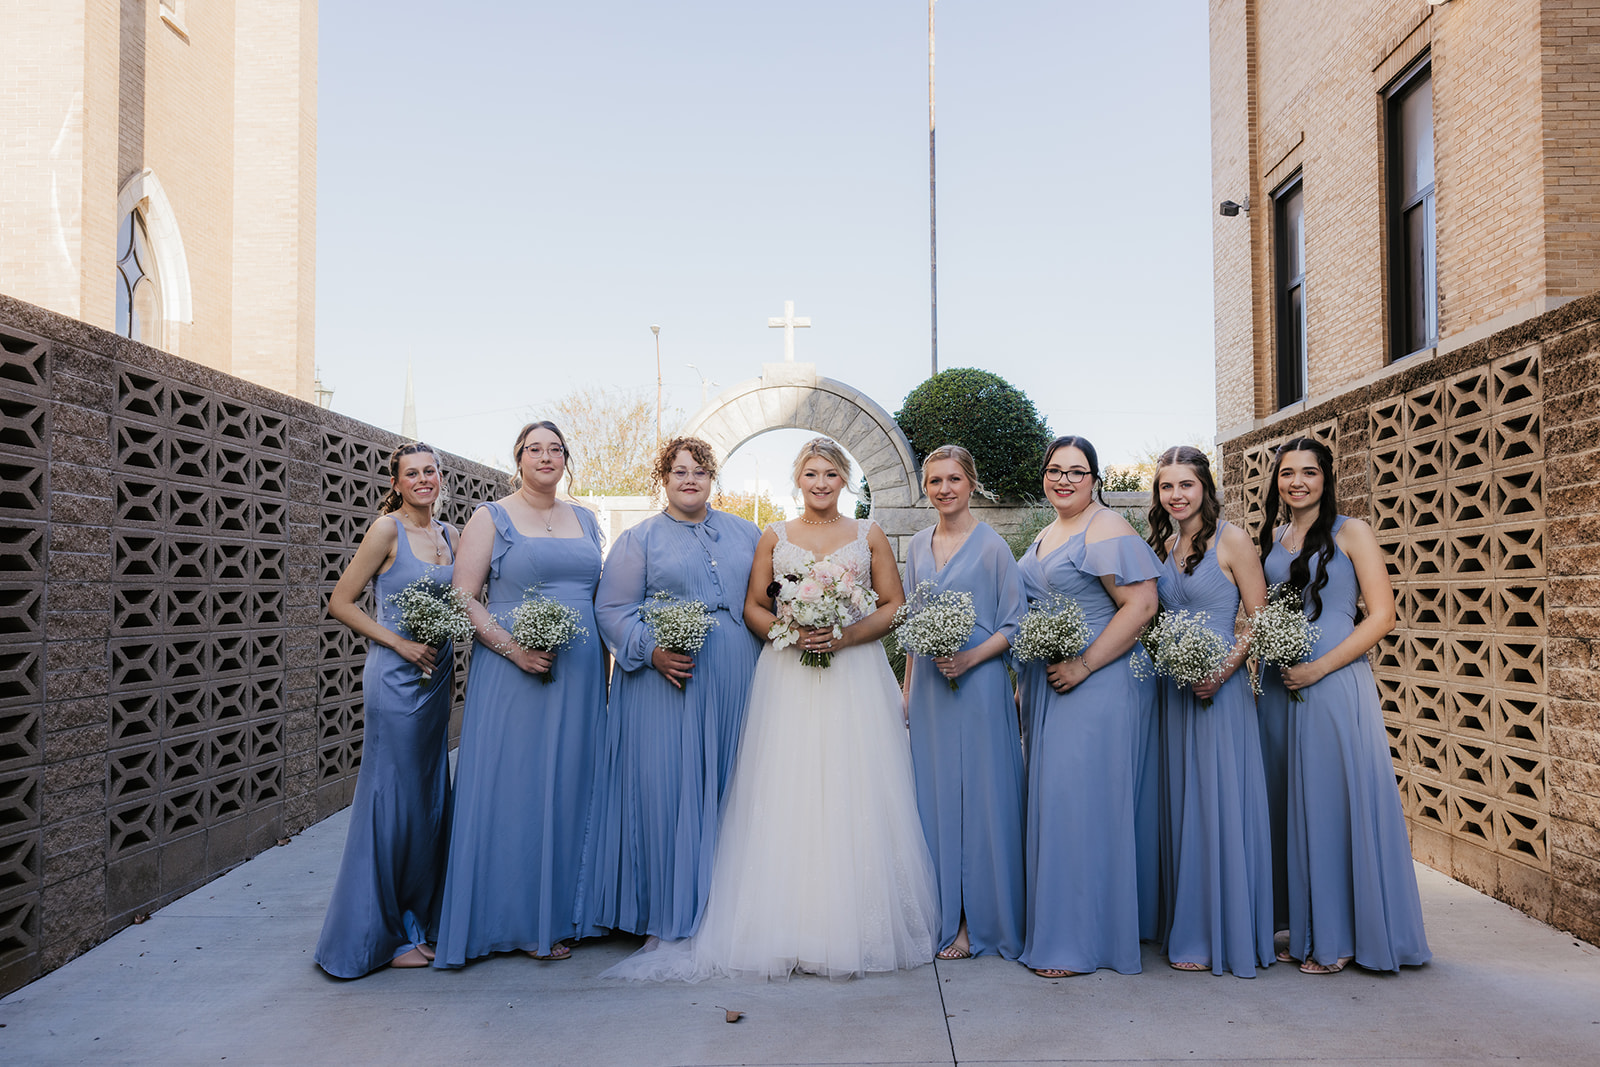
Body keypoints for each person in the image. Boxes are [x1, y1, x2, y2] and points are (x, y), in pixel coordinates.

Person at [604, 437, 939, 981]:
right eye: (811, 474)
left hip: (853, 673)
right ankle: (787, 924)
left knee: (856, 786)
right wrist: (789, 631)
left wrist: (846, 634)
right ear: (797, 480)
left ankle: (856, 923)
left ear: (845, 480)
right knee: (789, 789)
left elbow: (894, 604)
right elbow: (753, 606)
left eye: (831, 474)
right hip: (789, 675)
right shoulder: (773, 536)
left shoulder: (868, 534)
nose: (821, 484)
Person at [433, 421, 606, 968]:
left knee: (573, 784)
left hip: (578, 671)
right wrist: (515, 650)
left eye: (556, 449)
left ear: (566, 460)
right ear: (519, 459)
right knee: (517, 788)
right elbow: (464, 598)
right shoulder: (491, 517)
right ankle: (515, 919)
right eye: (536, 449)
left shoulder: (586, 518)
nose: (546, 457)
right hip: (514, 669)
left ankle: (569, 914)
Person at [1256, 436, 1431, 974]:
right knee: (1290, 804)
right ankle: (1305, 926)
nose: (1297, 482)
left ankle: (1340, 937)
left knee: (1332, 805)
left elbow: (1382, 616)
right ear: (1277, 481)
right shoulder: (1274, 536)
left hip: (1331, 685)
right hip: (1278, 687)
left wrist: (1318, 667)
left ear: (1327, 477)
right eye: (1287, 473)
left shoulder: (1352, 531)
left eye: (1309, 472)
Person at [578, 437, 763, 941]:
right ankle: (666, 907)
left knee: (732, 785)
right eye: (679, 471)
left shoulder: (747, 532)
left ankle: (729, 908)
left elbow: (770, 596)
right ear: (663, 479)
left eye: (699, 472)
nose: (689, 480)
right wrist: (653, 651)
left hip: (736, 677)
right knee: (670, 788)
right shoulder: (639, 539)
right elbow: (611, 610)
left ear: (712, 480)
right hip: (665, 684)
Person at [1016, 435, 1160, 978]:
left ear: (1095, 479)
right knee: (1062, 805)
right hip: (1053, 685)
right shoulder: (1052, 530)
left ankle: (1078, 942)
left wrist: (1084, 665)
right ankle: (1073, 927)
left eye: (1077, 472)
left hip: (1096, 683)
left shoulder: (1105, 528)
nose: (1064, 480)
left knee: (1077, 806)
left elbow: (1141, 603)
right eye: (1055, 470)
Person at [315, 443, 458, 977]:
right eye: (412, 473)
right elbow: (340, 601)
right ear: (396, 483)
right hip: (396, 678)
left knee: (427, 799)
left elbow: (466, 599)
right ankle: (382, 931)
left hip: (436, 677)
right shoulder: (385, 530)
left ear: (439, 479)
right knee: (391, 800)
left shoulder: (449, 535)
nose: (423, 479)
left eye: (430, 471)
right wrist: (397, 644)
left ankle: (419, 919)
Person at [1146, 446, 1275, 976]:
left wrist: (1222, 672)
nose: (1176, 495)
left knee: (1215, 802)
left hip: (1218, 692)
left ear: (1206, 487)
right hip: (1171, 690)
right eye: (1166, 487)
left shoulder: (1233, 540)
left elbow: (1260, 619)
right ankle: (1182, 919)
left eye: (1186, 485)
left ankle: (1215, 929)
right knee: (1179, 803)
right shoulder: (1161, 544)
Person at [901, 445, 1025, 961]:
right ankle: (941, 916)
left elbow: (1014, 626)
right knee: (932, 799)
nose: (944, 489)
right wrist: (909, 689)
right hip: (931, 687)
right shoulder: (915, 547)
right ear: (925, 489)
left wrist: (971, 659)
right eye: (934, 481)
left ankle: (977, 923)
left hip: (980, 683)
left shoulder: (994, 547)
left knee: (980, 799)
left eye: (954, 479)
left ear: (971, 484)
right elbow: (911, 622)